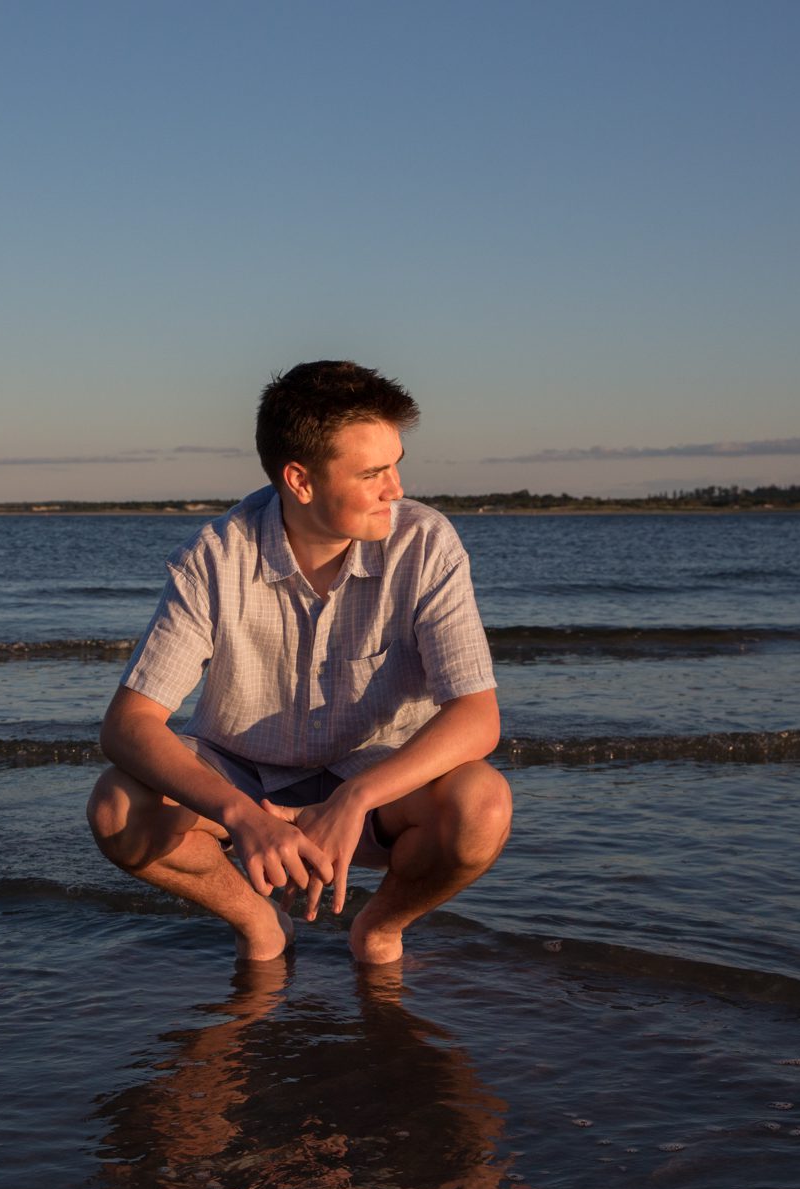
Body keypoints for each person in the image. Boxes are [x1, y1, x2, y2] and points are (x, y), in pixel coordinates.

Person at [86, 361, 511, 964]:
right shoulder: (214, 557)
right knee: (117, 806)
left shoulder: (426, 543)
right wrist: (240, 815)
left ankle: (380, 928)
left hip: (379, 788)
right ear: (300, 480)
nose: (396, 488)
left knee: (482, 805)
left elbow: (477, 717)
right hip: (245, 782)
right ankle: (259, 925)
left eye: (396, 464)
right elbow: (127, 725)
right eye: (373, 473)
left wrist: (354, 798)